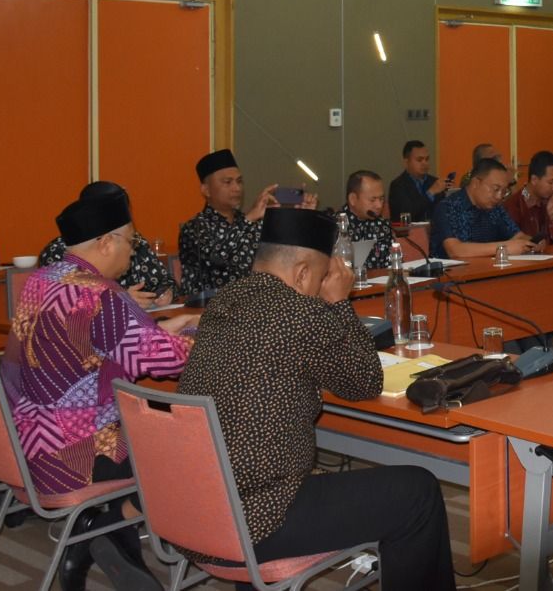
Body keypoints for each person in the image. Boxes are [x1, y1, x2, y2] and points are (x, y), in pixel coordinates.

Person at [177, 208, 455, 588]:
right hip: (254, 521)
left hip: (193, 513)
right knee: (417, 492)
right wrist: (339, 301)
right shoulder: (299, 311)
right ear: (303, 273)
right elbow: (364, 382)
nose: (323, 285)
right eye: (324, 276)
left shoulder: (222, 301)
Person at [4, 189, 197, 591]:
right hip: (79, 452)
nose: (133, 249)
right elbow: (163, 362)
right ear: (106, 242)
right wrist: (204, 339)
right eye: (131, 240)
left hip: (23, 442)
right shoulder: (100, 294)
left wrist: (161, 329)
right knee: (195, 456)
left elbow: (92, 345)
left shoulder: (42, 279)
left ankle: (101, 540)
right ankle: (102, 529)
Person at [179, 148, 315, 298]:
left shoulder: (251, 223)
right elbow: (218, 257)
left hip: (254, 304)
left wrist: (304, 217)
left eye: (239, 181)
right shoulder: (195, 227)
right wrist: (249, 219)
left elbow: (286, 255)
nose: (237, 188)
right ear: (206, 190)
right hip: (209, 307)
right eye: (227, 182)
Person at [37, 180, 175, 307]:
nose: (132, 251)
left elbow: (166, 282)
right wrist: (122, 300)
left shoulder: (134, 241)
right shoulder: (59, 252)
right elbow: (65, 303)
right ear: (106, 244)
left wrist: (165, 293)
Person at [431, 157, 536, 259]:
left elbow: (517, 236)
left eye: (504, 191)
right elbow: (455, 250)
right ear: (476, 183)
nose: (499, 196)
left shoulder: (495, 208)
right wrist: (503, 248)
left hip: (489, 267)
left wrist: (532, 243)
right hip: (453, 270)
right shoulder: (448, 207)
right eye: (496, 189)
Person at [503, 150, 553, 245]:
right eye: (551, 182)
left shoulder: (547, 202)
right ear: (534, 180)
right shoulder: (514, 205)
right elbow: (513, 243)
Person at [338, 169, 396, 269]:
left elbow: (393, 263)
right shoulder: (335, 227)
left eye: (381, 199)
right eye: (372, 200)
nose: (379, 205)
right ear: (353, 199)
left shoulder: (383, 225)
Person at [388, 140, 449, 223]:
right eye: (419, 160)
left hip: (435, 229)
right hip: (410, 230)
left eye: (427, 159)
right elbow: (406, 214)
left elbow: (444, 212)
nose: (424, 163)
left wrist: (450, 194)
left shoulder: (435, 182)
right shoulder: (397, 185)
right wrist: (430, 193)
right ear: (406, 162)